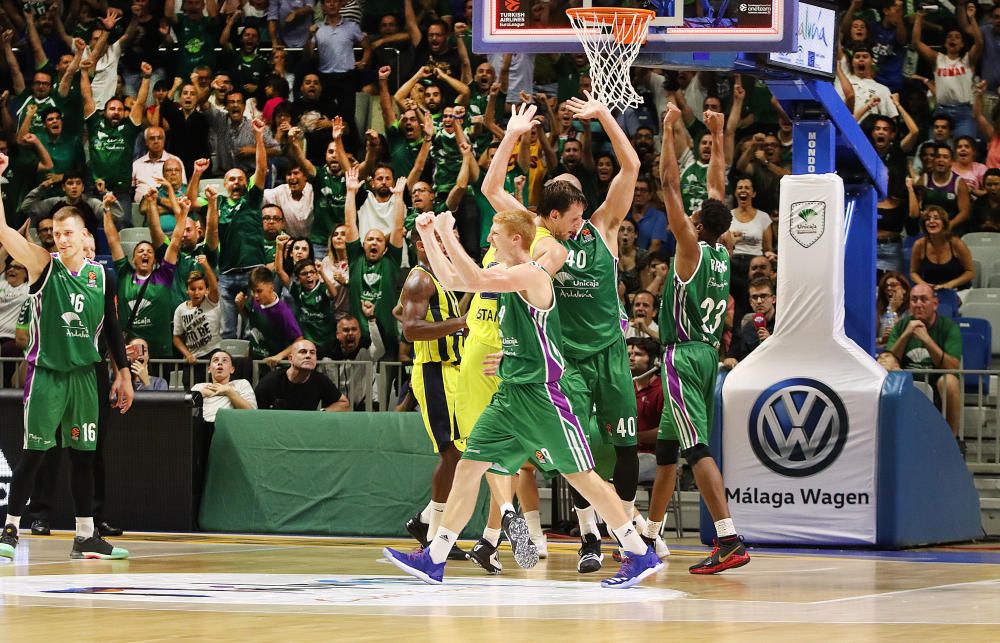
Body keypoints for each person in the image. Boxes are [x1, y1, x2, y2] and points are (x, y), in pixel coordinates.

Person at [383, 209, 662, 589]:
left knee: (582, 476)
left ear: (516, 239)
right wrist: (429, 236)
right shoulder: (506, 276)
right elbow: (452, 278)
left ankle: (637, 550)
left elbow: (474, 276)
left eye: (495, 235)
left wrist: (449, 233)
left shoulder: (531, 274)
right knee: (469, 466)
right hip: (510, 395)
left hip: (543, 396)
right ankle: (435, 556)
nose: (489, 242)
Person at [484, 96, 650, 573]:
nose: (580, 215)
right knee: (568, 449)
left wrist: (603, 116)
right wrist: (512, 133)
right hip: (565, 359)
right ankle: (588, 537)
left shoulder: (603, 227)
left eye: (582, 203)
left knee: (622, 448)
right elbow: (493, 186)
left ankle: (623, 531)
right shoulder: (538, 234)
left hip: (611, 353)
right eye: (571, 208)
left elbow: (632, 164)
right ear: (554, 214)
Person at [0, 152, 133, 561]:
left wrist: (123, 374)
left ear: (84, 236)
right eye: (56, 233)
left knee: (84, 456)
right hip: (47, 375)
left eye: (68, 232)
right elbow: (3, 231)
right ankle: (8, 530)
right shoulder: (43, 266)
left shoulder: (101, 275)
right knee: (36, 453)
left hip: (85, 376)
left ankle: (86, 536)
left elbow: (110, 328)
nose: (60, 238)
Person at [648, 102, 750, 574]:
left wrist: (669, 130)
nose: (686, 213)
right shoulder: (723, 249)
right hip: (708, 354)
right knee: (668, 448)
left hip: (683, 356)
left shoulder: (688, 250)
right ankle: (649, 535)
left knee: (693, 449)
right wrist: (718, 136)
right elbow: (717, 188)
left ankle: (728, 538)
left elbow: (669, 183)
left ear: (699, 226)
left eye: (692, 215)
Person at [395, 226, 469, 555]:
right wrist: (462, 322)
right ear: (419, 245)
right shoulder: (421, 279)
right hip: (433, 371)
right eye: (434, 239)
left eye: (445, 237)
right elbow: (410, 328)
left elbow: (401, 311)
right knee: (452, 453)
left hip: (453, 371)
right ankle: (435, 534)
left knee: (462, 454)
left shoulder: (441, 277)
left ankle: (428, 522)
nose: (442, 244)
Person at [187, 117, 270, 339]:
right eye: (231, 179)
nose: (236, 182)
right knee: (226, 331)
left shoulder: (252, 199)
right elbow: (192, 202)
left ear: (246, 183)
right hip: (226, 274)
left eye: (240, 179)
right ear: (225, 184)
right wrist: (196, 173)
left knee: (258, 329)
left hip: (253, 271)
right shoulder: (218, 203)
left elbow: (262, 169)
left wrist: (259, 137)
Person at [105, 193, 188, 359]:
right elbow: (113, 240)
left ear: (154, 259)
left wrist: (184, 214)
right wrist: (107, 209)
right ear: (133, 259)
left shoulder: (163, 275)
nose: (145, 254)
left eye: (149, 251)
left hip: (159, 351)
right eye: (140, 251)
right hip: (129, 349)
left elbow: (175, 242)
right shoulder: (124, 275)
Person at [887, 283, 963, 438]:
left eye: (924, 299)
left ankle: (952, 441)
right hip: (908, 385)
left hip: (937, 386)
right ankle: (893, 438)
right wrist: (906, 334)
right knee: (889, 368)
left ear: (935, 304)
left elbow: (953, 367)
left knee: (950, 381)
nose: (918, 304)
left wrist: (927, 340)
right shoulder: (902, 325)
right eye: (914, 300)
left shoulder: (948, 327)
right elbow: (888, 358)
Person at [255, 339, 349, 411]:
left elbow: (343, 403)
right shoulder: (270, 381)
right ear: (290, 358)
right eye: (303, 352)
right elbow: (254, 411)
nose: (308, 356)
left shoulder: (320, 380)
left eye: (312, 352)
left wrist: (321, 414)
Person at [235, 266, 303, 365]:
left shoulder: (283, 312)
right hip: (254, 361)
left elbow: (299, 340)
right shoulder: (254, 300)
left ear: (271, 287)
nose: (256, 295)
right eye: (253, 291)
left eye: (259, 291)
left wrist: (279, 356)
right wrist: (240, 306)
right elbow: (249, 318)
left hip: (272, 366)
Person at [909, 206, 975, 292]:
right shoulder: (919, 244)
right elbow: (913, 273)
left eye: (936, 218)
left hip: (959, 290)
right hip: (932, 292)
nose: (931, 221)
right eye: (928, 219)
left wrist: (949, 285)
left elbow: (970, 272)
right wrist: (925, 285)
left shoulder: (957, 244)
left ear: (944, 223)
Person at [172, 257, 222, 363]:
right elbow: (176, 338)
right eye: (193, 289)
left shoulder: (211, 301)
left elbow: (214, 288)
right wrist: (187, 354)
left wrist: (206, 266)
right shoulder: (180, 310)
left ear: (206, 290)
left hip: (213, 352)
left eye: (200, 289)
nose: (197, 293)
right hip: (194, 357)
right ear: (187, 290)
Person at [192, 350, 257, 428]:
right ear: (209, 369)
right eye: (216, 360)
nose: (220, 363)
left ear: (232, 369)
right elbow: (184, 411)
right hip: (200, 428)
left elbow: (252, 414)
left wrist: (229, 392)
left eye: (225, 360)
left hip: (229, 427)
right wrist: (201, 394)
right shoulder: (199, 387)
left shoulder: (241, 384)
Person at [724, 277, 776, 367]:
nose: (759, 301)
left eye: (763, 296)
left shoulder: (783, 323)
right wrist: (730, 359)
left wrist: (771, 342)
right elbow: (736, 356)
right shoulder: (747, 327)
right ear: (750, 302)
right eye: (755, 297)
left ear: (773, 299)